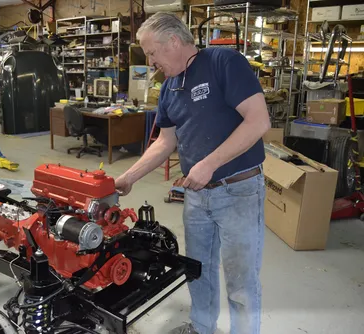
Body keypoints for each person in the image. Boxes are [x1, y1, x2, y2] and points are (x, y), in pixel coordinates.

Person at [115, 12, 270, 334]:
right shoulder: (170, 86)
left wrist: (209, 163)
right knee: (197, 269)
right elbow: (165, 141)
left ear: (173, 41)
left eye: (153, 52)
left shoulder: (223, 61)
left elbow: (258, 121)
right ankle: (202, 327)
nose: (151, 61)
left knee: (241, 280)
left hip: (238, 190)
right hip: (197, 195)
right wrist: (128, 177)